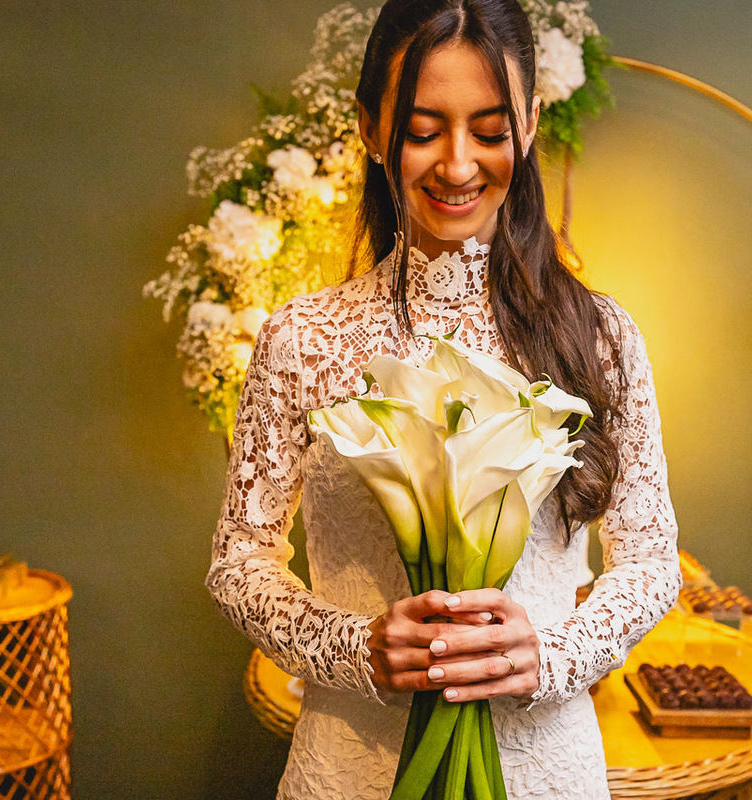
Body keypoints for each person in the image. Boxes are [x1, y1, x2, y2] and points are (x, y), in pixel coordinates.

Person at [206, 0, 680, 797]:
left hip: (543, 765)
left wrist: (552, 655)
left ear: (530, 124)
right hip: (352, 766)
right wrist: (354, 646)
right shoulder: (302, 337)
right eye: (424, 131)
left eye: (489, 131)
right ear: (369, 127)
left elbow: (651, 562)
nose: (458, 166)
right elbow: (238, 562)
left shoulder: (601, 336)